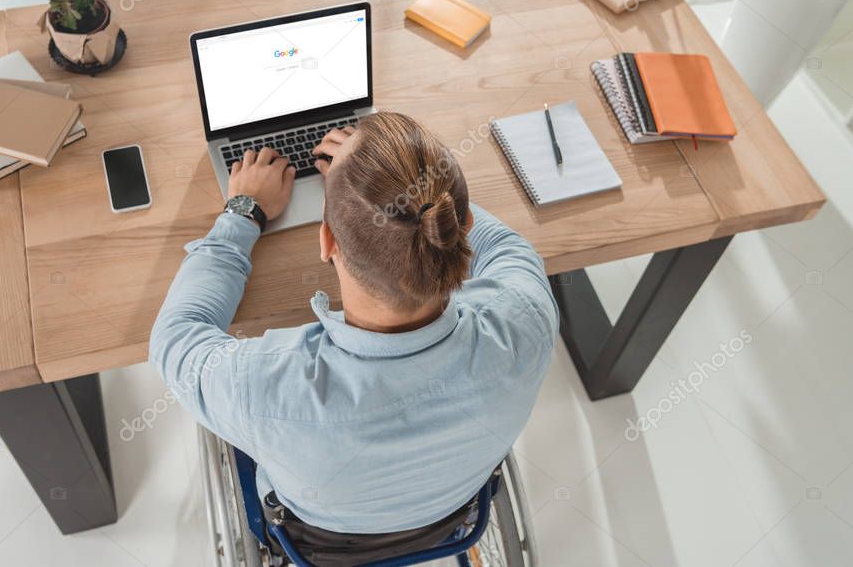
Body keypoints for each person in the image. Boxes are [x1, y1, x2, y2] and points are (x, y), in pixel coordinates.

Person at [150, 111, 557, 554]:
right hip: (453, 514)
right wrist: (394, 187)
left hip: (319, 543)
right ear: (463, 227)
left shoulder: (263, 387)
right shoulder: (526, 321)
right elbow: (507, 248)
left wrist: (245, 211)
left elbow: (176, 335)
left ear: (326, 242)